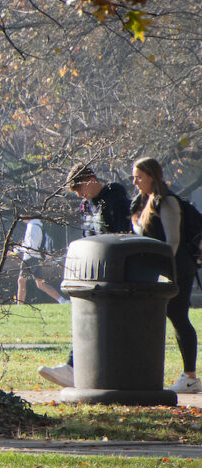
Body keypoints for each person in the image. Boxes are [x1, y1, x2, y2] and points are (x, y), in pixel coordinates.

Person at [40, 163, 136, 387]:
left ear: (91, 179)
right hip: (93, 270)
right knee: (89, 321)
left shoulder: (115, 200)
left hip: (114, 272)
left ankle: (75, 368)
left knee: (100, 323)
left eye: (80, 188)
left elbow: (120, 235)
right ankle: (76, 368)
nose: (80, 195)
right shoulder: (87, 205)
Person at [128, 158, 201, 396]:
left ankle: (190, 377)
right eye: (134, 176)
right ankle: (140, 369)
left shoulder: (167, 203)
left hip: (176, 269)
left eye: (139, 176)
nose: (135, 181)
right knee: (159, 315)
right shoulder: (142, 202)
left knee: (178, 316)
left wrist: (163, 273)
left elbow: (173, 243)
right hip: (156, 269)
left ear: (152, 176)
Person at [13, 217, 64, 305]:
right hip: (37, 258)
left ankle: (19, 305)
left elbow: (30, 246)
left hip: (30, 258)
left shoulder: (32, 226)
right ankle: (63, 300)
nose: (21, 218)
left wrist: (16, 250)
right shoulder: (37, 225)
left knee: (21, 280)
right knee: (41, 284)